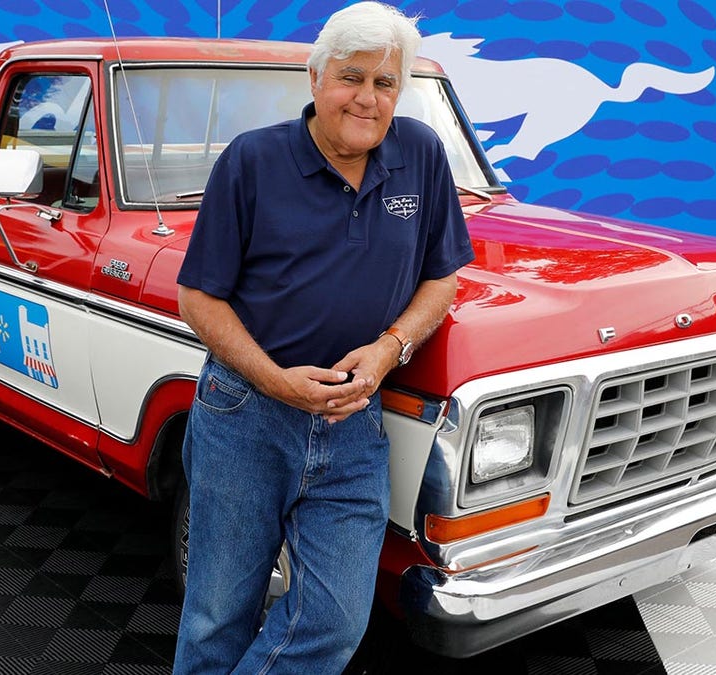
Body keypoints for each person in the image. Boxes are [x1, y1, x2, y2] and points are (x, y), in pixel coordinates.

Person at [173, 2, 475, 672]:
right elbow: (197, 295)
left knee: (335, 623)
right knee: (219, 612)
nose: (367, 98)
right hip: (246, 415)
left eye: (386, 82)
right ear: (314, 78)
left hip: (353, 421)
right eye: (352, 76)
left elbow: (441, 278)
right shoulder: (252, 161)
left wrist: (390, 346)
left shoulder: (421, 155)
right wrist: (276, 379)